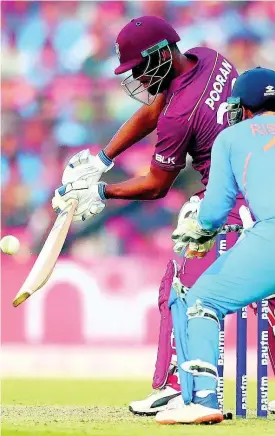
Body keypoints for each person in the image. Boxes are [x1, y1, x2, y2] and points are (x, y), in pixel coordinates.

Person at [51, 16, 275, 414]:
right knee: (266, 294)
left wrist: (103, 191)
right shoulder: (211, 59)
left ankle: (175, 386)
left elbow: (157, 184)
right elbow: (156, 109)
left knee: (180, 288)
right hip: (259, 189)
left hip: (226, 203)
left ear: (161, 54)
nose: (136, 76)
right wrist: (104, 159)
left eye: (138, 66)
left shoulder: (181, 115)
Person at [155, 67, 275, 424]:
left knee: (202, 302)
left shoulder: (232, 136)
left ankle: (204, 399)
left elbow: (216, 210)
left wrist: (199, 227)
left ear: (245, 106)